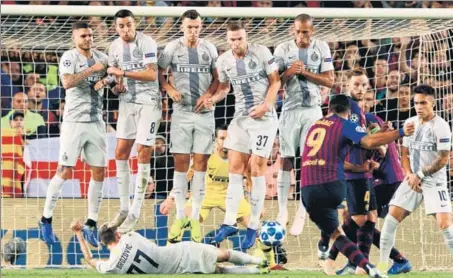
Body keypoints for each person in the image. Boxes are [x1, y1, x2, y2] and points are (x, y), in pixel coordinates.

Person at [300, 94, 414, 278]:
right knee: (359, 219)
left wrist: (379, 134)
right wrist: (400, 132)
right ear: (347, 109)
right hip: (345, 179)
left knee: (364, 218)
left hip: (311, 183)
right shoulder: (346, 123)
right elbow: (368, 142)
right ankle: (349, 262)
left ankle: (344, 258)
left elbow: (373, 144)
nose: (362, 91)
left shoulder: (316, 124)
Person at [199, 20, 281, 249]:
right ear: (228, 41)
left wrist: (266, 106)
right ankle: (229, 222)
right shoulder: (223, 61)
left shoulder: (262, 52)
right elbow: (224, 88)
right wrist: (212, 99)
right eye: (232, 40)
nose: (236, 43)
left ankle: (253, 224)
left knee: (256, 169)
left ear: (246, 37)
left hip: (263, 119)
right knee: (234, 169)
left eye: (240, 39)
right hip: (240, 119)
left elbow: (276, 81)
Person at [39, 22, 108, 247]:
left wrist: (108, 82)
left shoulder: (102, 57)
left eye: (90, 35)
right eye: (83, 35)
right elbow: (67, 82)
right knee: (64, 170)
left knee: (99, 171)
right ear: (74, 38)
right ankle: (45, 219)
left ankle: (91, 222)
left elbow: (112, 79)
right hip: (74, 122)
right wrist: (91, 70)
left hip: (96, 121)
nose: (88, 38)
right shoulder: (69, 57)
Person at [157, 9, 219, 243]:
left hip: (205, 113)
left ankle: (194, 218)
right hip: (181, 113)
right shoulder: (172, 49)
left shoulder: (209, 49)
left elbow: (218, 79)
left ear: (200, 27)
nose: (193, 31)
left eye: (196, 27)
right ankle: (180, 215)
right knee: (181, 165)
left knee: (201, 164)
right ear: (182, 27)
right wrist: (170, 89)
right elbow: (159, 74)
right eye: (189, 27)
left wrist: (209, 94)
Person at [378, 85, 453, 273]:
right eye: (416, 103)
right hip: (412, 180)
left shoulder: (442, 126)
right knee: (390, 219)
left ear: (432, 104)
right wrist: (409, 174)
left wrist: (419, 175)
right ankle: (381, 267)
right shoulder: (410, 123)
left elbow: (443, 159)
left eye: (423, 103)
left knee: (445, 225)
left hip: (434, 182)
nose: (419, 107)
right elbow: (404, 154)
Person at [273, 13, 334, 235]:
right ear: (293, 30)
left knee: (309, 162)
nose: (301, 36)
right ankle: (282, 211)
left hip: (313, 111)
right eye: (298, 31)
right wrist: (289, 72)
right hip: (289, 111)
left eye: (305, 32)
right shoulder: (281, 49)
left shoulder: (322, 48)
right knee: (286, 160)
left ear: (312, 31)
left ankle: (301, 211)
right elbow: (274, 82)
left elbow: (330, 80)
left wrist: (305, 72)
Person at [104, 9, 161, 233]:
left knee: (143, 151)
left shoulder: (147, 43)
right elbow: (114, 78)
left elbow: (151, 74)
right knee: (120, 152)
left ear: (134, 24)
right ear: (116, 27)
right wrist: (116, 85)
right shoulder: (114, 47)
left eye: (129, 25)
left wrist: (123, 73)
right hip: (127, 104)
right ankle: (124, 208)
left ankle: (136, 210)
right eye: (121, 26)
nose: (126, 29)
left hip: (149, 103)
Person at [70, 220, 269, 275]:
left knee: (220, 271)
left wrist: (79, 234)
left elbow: (89, 260)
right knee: (223, 255)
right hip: (182, 252)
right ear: (118, 234)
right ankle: (260, 262)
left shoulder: (111, 267)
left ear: (104, 244)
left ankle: (259, 273)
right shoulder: (131, 238)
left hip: (178, 271)